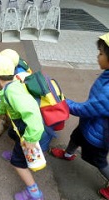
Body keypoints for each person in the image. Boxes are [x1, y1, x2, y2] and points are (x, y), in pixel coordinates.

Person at [50, 32, 109, 199]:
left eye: (101, 53)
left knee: (99, 162)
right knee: (75, 137)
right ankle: (68, 154)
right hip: (90, 124)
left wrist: (64, 103)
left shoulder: (108, 92)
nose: (98, 56)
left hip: (98, 135)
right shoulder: (107, 74)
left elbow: (86, 109)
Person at [0, 54, 45, 200]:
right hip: (19, 126)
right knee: (12, 134)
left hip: (27, 129)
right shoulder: (10, 87)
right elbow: (5, 103)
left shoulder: (12, 92)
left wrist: (30, 138)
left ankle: (34, 192)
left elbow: (34, 115)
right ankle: (19, 151)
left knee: (17, 163)